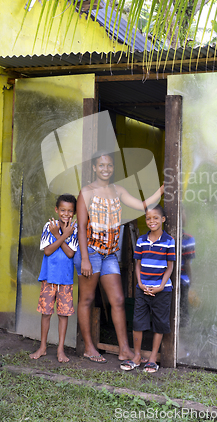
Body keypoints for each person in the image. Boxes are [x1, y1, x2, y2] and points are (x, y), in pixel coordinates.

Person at [75, 150, 164, 363]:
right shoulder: (86, 192)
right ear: (95, 168)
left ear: (113, 168)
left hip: (110, 255)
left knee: (118, 300)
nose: (105, 169)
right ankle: (88, 347)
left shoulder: (118, 190)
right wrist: (85, 258)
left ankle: (124, 349)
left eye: (109, 166)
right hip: (91, 252)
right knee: (86, 299)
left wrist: (161, 190)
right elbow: (81, 227)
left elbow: (142, 207)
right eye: (101, 165)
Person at [120, 204, 175, 373]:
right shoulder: (141, 240)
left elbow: (170, 267)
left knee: (159, 324)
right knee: (138, 322)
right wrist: (141, 284)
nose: (152, 221)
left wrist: (159, 287)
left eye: (156, 218)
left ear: (163, 219)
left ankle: (152, 359)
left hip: (162, 291)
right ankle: (136, 356)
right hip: (142, 289)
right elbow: (137, 265)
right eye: (148, 218)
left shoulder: (169, 241)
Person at [29, 194, 78, 363]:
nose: (66, 213)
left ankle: (60, 349)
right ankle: (42, 347)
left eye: (70, 211)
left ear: (75, 212)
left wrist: (59, 235)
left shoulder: (75, 229)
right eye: (63, 210)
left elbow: (71, 253)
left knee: (63, 315)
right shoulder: (49, 226)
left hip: (65, 280)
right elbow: (48, 251)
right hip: (49, 278)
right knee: (46, 313)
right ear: (56, 210)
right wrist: (62, 235)